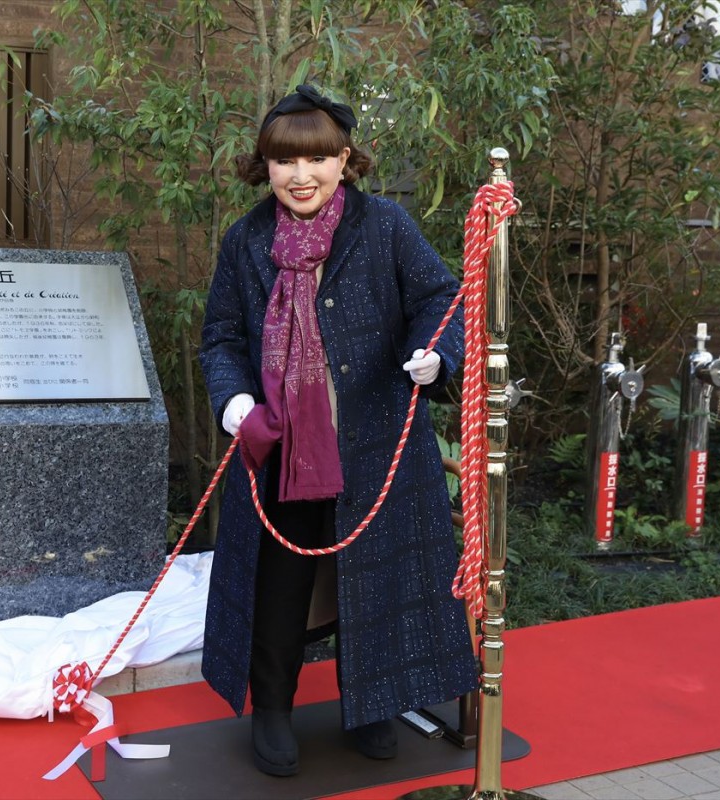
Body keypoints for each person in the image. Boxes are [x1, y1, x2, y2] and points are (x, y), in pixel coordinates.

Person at [198, 85, 477, 777]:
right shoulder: (247, 238)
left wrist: (437, 353)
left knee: (374, 579)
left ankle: (375, 704)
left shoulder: (384, 225)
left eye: (317, 158)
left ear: (344, 159)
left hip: (377, 439)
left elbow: (443, 296)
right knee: (279, 585)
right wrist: (232, 399)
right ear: (263, 166)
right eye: (285, 160)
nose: (301, 175)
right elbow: (222, 335)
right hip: (281, 447)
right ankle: (272, 709)